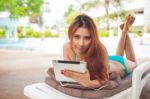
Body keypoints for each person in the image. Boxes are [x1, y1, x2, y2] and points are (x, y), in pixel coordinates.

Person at [61, 14, 137, 89]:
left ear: (93, 37)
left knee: (134, 64)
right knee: (118, 55)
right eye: (76, 37)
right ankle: (124, 31)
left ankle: (124, 32)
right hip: (107, 60)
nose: (81, 44)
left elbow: (104, 79)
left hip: (120, 65)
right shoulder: (67, 48)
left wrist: (89, 83)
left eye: (87, 38)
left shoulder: (100, 49)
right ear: (71, 35)